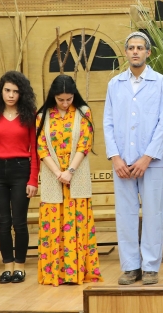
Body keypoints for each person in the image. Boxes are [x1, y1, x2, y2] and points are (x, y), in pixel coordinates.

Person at [104, 32, 163, 286]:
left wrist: (146, 158)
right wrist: (115, 157)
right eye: (131, 48)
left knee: (154, 213)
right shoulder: (115, 84)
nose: (135, 52)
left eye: (140, 48)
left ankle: (151, 267)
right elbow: (108, 122)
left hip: (152, 162)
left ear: (148, 52)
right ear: (125, 52)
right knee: (125, 214)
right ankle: (131, 267)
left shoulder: (161, 82)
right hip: (121, 163)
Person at [35, 75, 101, 286]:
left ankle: (78, 273)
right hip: (53, 176)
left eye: (68, 99)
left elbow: (85, 143)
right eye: (60, 99)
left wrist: (70, 171)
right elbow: (41, 147)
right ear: (53, 97)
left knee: (77, 224)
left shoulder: (83, 113)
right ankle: (55, 274)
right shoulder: (43, 115)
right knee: (53, 224)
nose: (65, 103)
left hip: (76, 174)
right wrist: (58, 173)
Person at [0, 71, 39, 284]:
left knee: (19, 223)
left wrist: (33, 180)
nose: (11, 95)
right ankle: (7, 266)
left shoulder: (29, 115)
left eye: (15, 91)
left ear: (22, 93)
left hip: (21, 170)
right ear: (1, 91)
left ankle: (20, 267)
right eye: (7, 90)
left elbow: (35, 150)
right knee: (3, 222)